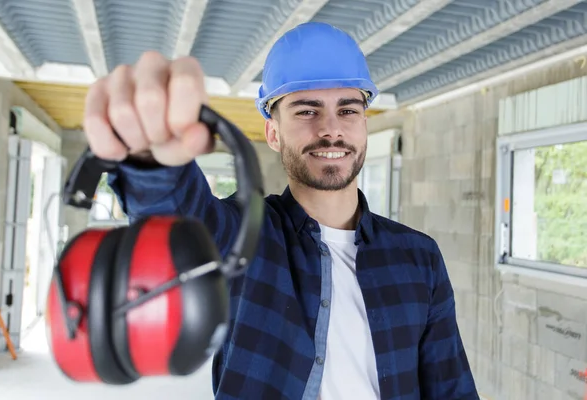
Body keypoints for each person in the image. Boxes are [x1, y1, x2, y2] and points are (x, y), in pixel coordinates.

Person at [83, 22, 479, 400]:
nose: (331, 129)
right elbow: (177, 219)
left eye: (348, 110)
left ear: (364, 124)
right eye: (307, 111)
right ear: (273, 133)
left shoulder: (418, 257)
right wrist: (151, 159)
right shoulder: (247, 235)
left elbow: (451, 389)